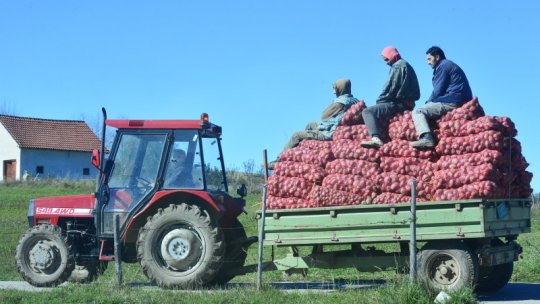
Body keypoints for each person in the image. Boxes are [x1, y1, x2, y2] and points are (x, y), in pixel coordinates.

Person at [269, 78, 359, 168]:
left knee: (296, 135)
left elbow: (324, 116)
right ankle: (301, 151)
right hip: (336, 127)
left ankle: (279, 159)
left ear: (341, 88)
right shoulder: (355, 100)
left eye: (335, 89)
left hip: (330, 132)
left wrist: (333, 108)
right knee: (311, 124)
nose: (333, 92)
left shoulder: (340, 102)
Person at [410, 46, 472, 149]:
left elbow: (437, 91)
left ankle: (427, 138)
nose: (428, 62)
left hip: (452, 100)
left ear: (437, 57)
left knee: (418, 111)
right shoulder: (448, 65)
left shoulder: (443, 66)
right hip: (458, 99)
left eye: (429, 59)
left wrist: (427, 103)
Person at [361, 46, 420, 148]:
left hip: (399, 103)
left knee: (367, 112)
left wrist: (380, 101)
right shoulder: (406, 64)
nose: (386, 63)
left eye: (387, 59)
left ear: (392, 55)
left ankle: (375, 138)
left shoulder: (398, 66)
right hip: (407, 103)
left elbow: (391, 88)